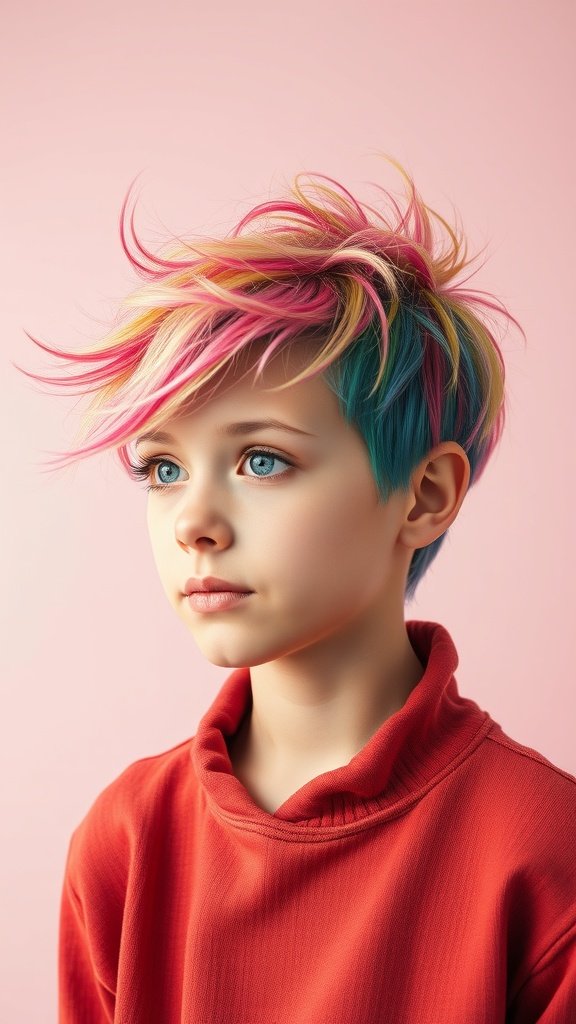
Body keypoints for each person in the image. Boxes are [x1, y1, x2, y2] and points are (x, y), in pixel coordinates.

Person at [19, 158, 576, 1021]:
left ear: (426, 495)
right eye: (163, 468)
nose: (192, 521)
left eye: (262, 460)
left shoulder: (543, 853)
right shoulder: (124, 841)